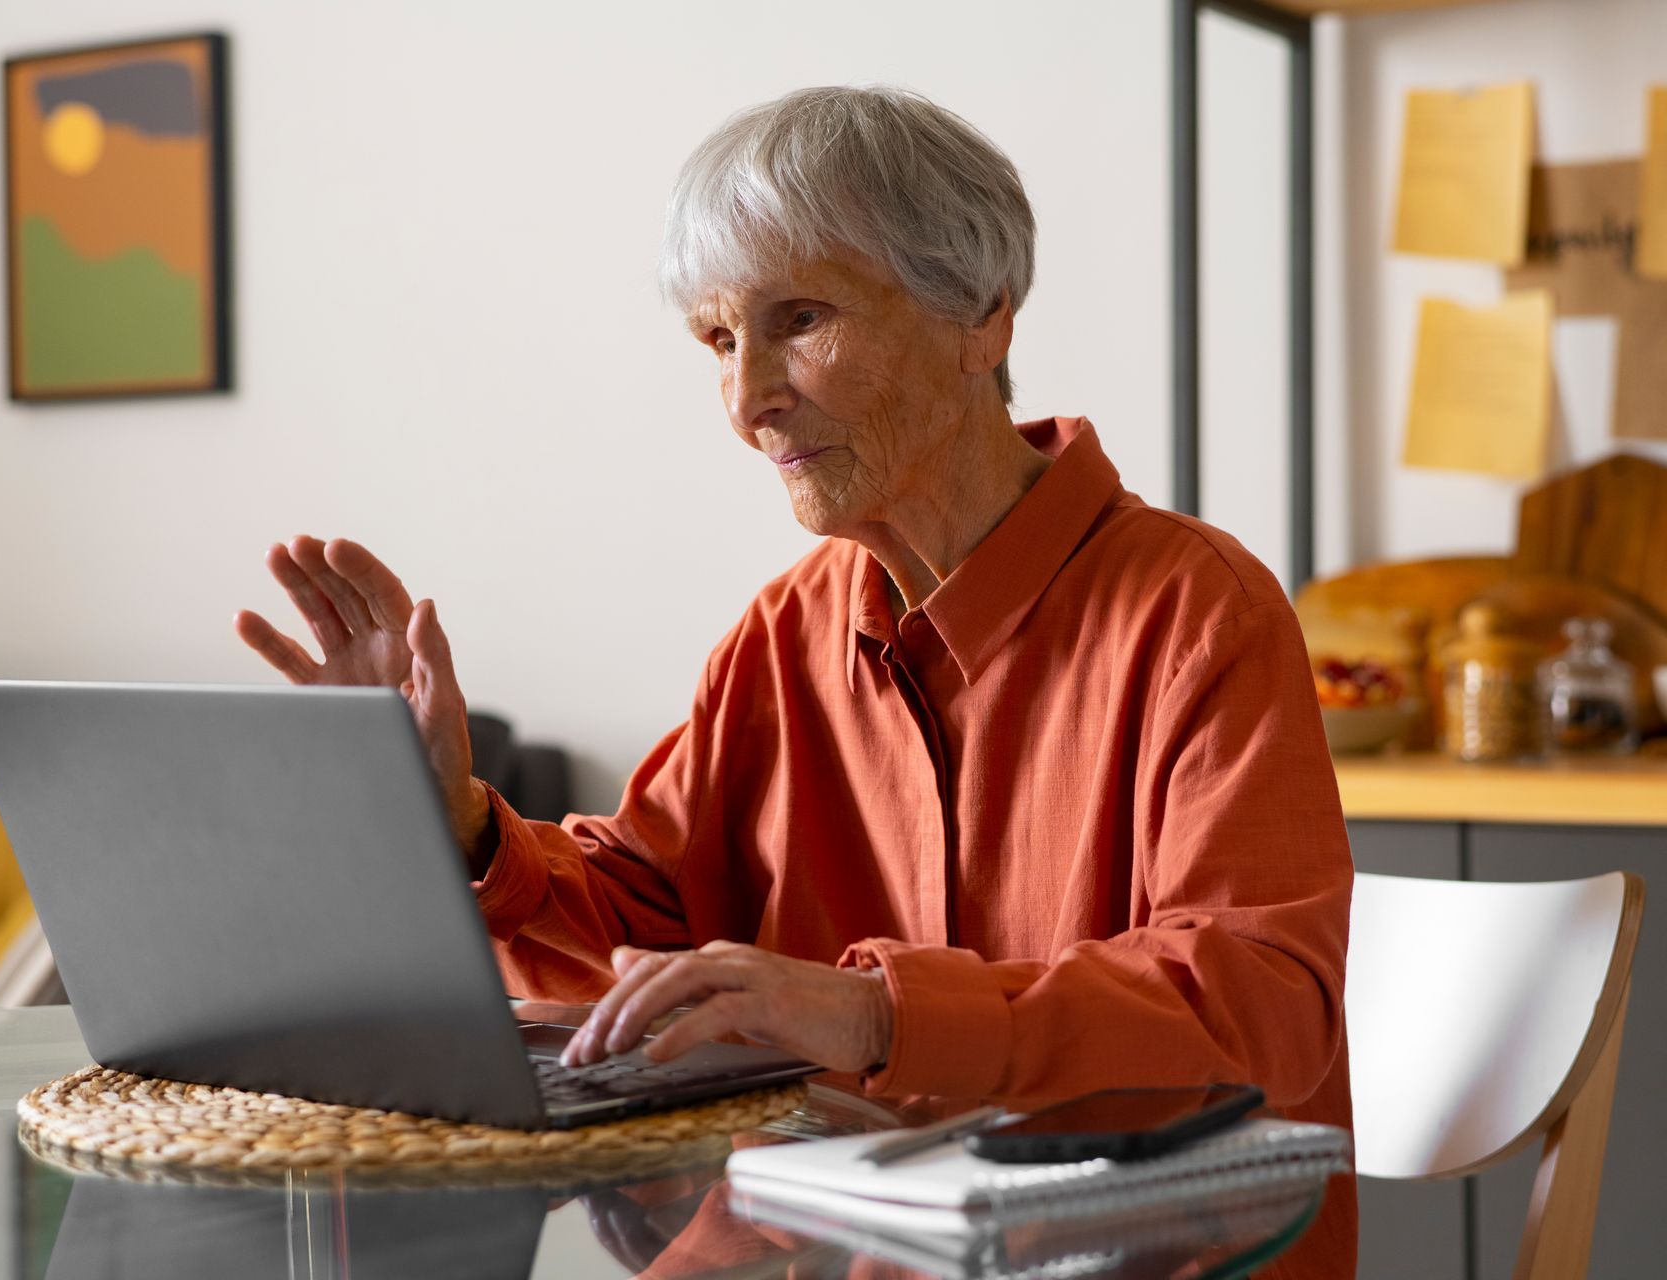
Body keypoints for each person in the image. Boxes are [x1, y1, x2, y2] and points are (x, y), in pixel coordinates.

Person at [236, 86, 1355, 1277]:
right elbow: (644, 929)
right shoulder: (786, 630)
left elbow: (1264, 1000)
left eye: (801, 318)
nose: (746, 397)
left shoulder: (1197, 610)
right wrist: (453, 822)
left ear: (983, 313)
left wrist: (873, 1012)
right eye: (719, 341)